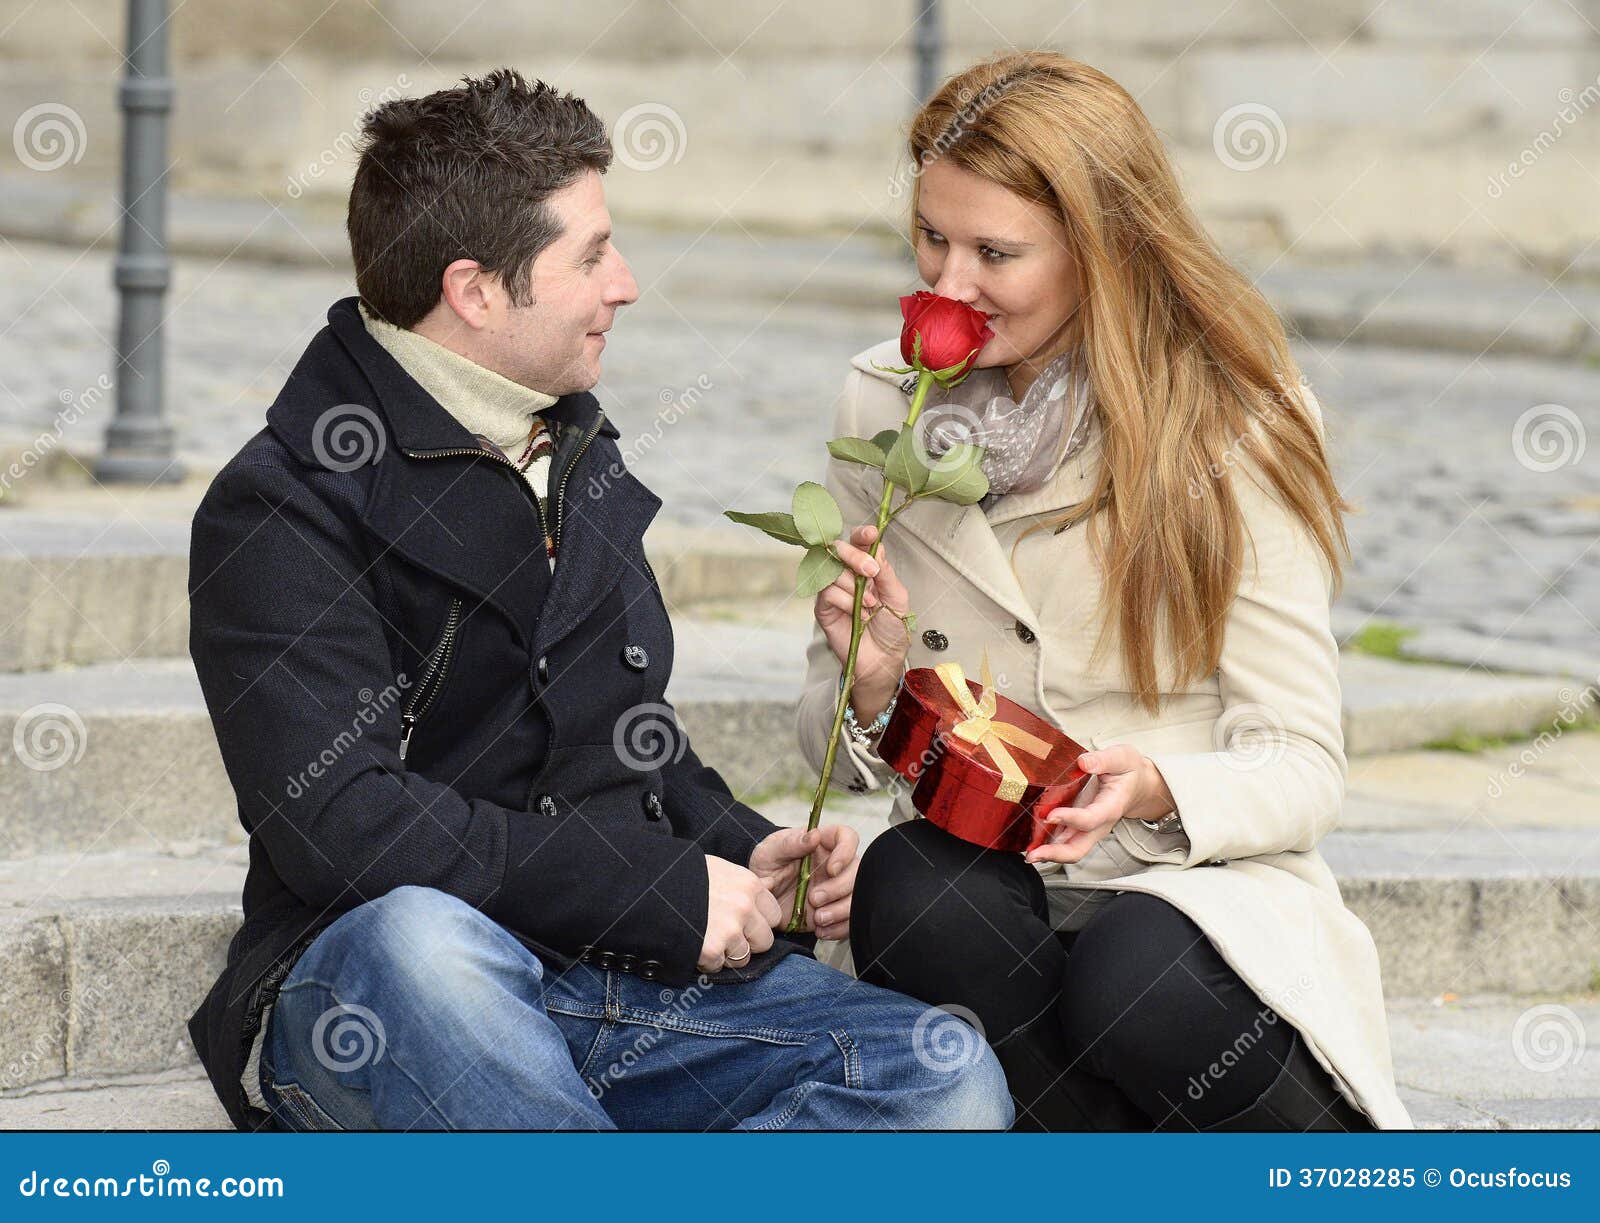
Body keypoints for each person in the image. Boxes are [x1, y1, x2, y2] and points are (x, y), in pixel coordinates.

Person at [185, 69, 1011, 1132]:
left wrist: (734, 846)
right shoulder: (282, 502)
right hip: (388, 988)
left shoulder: (568, 441)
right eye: (590, 255)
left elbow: (629, 740)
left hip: (624, 983)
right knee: (419, 942)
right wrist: (656, 894)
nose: (624, 283)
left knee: (938, 1073)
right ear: (477, 291)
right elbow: (345, 826)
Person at [797, 52, 1411, 1131]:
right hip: (988, 881)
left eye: (996, 251)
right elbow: (825, 747)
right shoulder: (882, 399)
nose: (947, 286)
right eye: (931, 238)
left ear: (1102, 248)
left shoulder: (1234, 422)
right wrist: (872, 681)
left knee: (1132, 971)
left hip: (1184, 895)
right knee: (914, 883)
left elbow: (1302, 764)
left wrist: (1159, 786)